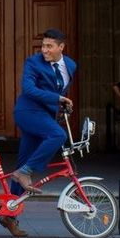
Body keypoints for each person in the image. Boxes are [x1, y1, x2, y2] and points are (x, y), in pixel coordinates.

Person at [11, 29, 75, 199]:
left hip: (45, 115)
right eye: (43, 46)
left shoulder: (71, 65)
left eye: (49, 46)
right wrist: (58, 98)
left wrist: (61, 106)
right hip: (28, 112)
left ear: (61, 47)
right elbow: (29, 90)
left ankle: (9, 212)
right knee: (58, 135)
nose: (44, 50)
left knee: (22, 162)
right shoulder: (33, 62)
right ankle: (26, 172)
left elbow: (58, 87)